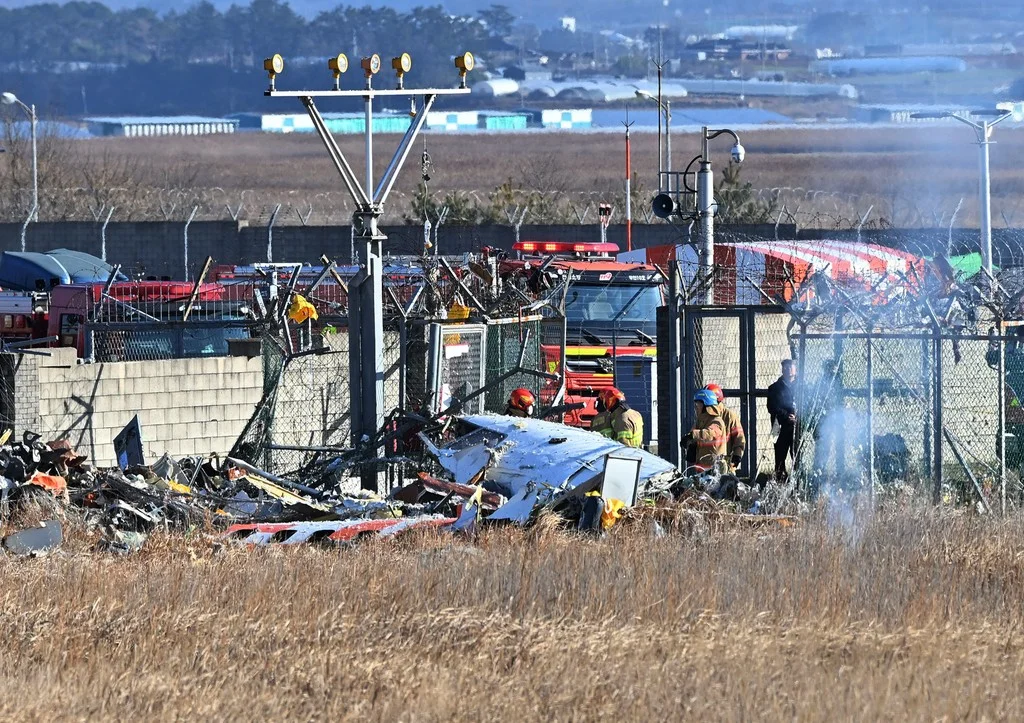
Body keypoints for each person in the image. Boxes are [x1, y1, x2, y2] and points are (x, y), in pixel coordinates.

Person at [767, 359, 798, 483]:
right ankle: (780, 483)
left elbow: (807, 404)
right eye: (785, 367)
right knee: (779, 457)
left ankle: (797, 483)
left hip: (796, 426)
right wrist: (787, 416)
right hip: (779, 426)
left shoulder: (802, 387)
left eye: (790, 367)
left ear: (796, 370)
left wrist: (798, 417)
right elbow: (772, 407)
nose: (787, 369)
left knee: (796, 456)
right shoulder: (774, 388)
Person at [682, 389, 728, 471]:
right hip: (702, 466)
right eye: (696, 404)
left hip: (715, 468)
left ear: (706, 405)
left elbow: (710, 433)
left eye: (699, 404)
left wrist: (693, 435)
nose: (696, 407)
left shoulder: (717, 421)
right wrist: (689, 442)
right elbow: (693, 434)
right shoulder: (700, 421)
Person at [705, 382, 746, 471]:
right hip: (705, 464)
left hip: (724, 464)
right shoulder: (703, 416)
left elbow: (739, 438)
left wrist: (737, 455)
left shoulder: (729, 416)